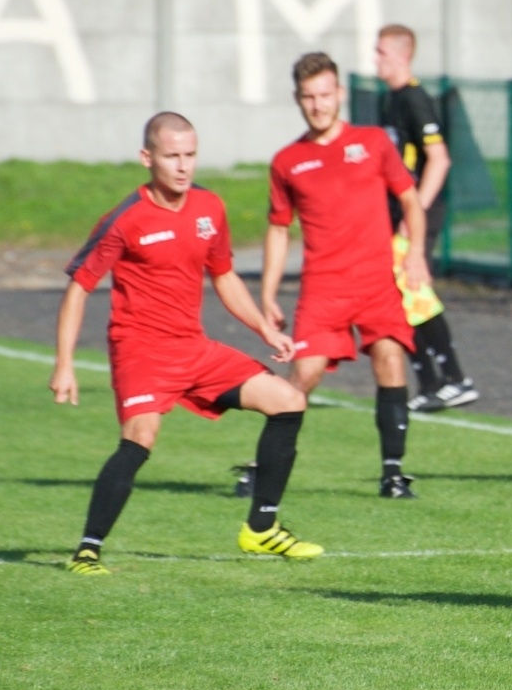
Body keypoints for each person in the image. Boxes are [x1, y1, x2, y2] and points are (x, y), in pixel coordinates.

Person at [53, 113, 321, 575]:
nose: (183, 166)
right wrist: (64, 365)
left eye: (190, 155)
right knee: (141, 437)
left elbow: (224, 276)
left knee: (289, 400)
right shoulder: (125, 219)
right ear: (147, 158)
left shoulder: (209, 209)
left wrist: (264, 329)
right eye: (172, 155)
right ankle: (87, 550)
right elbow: (79, 289)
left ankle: (261, 529)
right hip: (140, 351)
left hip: (193, 349)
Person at [261, 52, 431, 500]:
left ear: (339, 93)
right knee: (305, 376)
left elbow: (411, 202)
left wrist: (415, 253)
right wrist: (267, 293)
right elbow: (278, 230)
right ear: (297, 99)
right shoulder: (287, 161)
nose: (318, 105)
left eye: (325, 94)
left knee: (391, 360)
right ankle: (265, 467)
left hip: (376, 282)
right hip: (324, 287)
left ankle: (393, 473)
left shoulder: (373, 142)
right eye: (308, 97)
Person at [374, 24, 477, 413]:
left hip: (418, 213)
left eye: (382, 52)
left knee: (414, 291)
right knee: (400, 295)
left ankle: (454, 378)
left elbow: (439, 158)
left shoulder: (415, 99)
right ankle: (432, 382)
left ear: (402, 55)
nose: (376, 59)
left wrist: (412, 212)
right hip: (398, 212)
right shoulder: (391, 99)